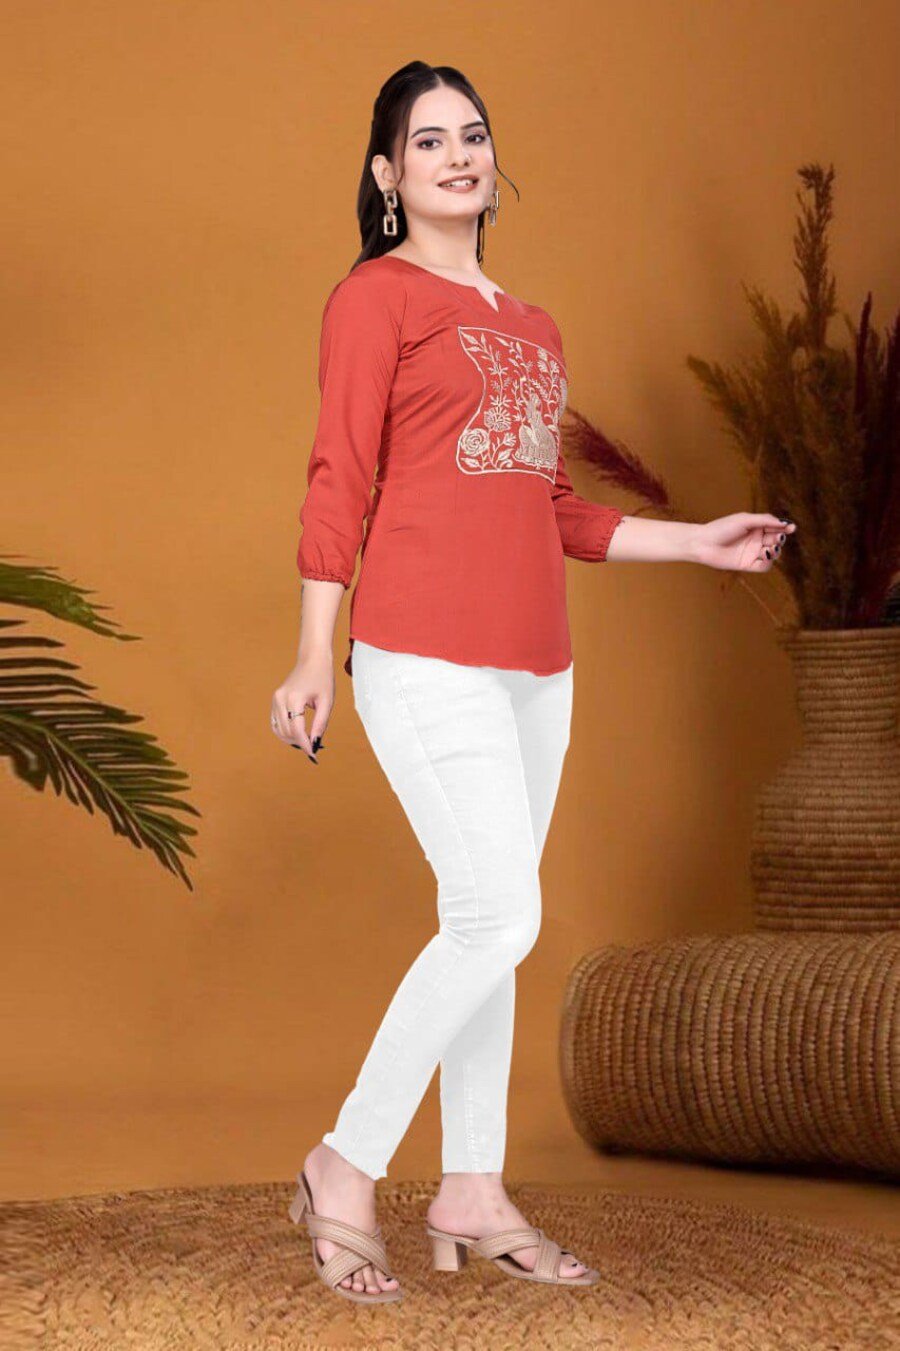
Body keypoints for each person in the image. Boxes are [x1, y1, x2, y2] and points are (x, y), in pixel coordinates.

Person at [270, 61, 797, 1306]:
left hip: (535, 667)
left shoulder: (533, 326)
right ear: (387, 174)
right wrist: (311, 649)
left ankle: (473, 1184)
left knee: (486, 922)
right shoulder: (374, 299)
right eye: (428, 141)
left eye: (474, 134)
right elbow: (339, 475)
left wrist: (698, 540)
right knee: (496, 916)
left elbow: (551, 508)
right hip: (420, 650)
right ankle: (345, 1161)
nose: (459, 155)